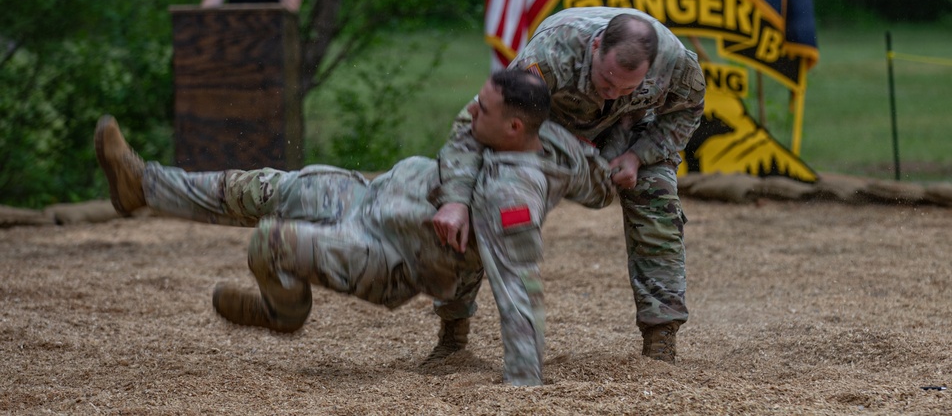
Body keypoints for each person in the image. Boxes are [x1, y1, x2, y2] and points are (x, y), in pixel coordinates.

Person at [94, 69, 617, 386]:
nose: (470, 110)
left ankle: (284, 309)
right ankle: (144, 186)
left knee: (269, 240)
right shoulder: (542, 139)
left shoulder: (512, 200)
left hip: (385, 256)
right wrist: (626, 165)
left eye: (483, 107)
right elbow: (598, 180)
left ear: (514, 127)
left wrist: (524, 382)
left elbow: (518, 286)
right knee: (261, 187)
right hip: (371, 198)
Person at [435, 7, 706, 363]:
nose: (612, 94)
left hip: (629, 132)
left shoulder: (675, 63)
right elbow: (476, 125)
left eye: (628, 87)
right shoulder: (548, 58)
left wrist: (640, 155)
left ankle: (661, 339)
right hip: (549, 127)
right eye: (606, 82)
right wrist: (455, 199)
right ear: (595, 46)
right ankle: (453, 334)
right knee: (485, 194)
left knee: (658, 199)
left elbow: (688, 110)